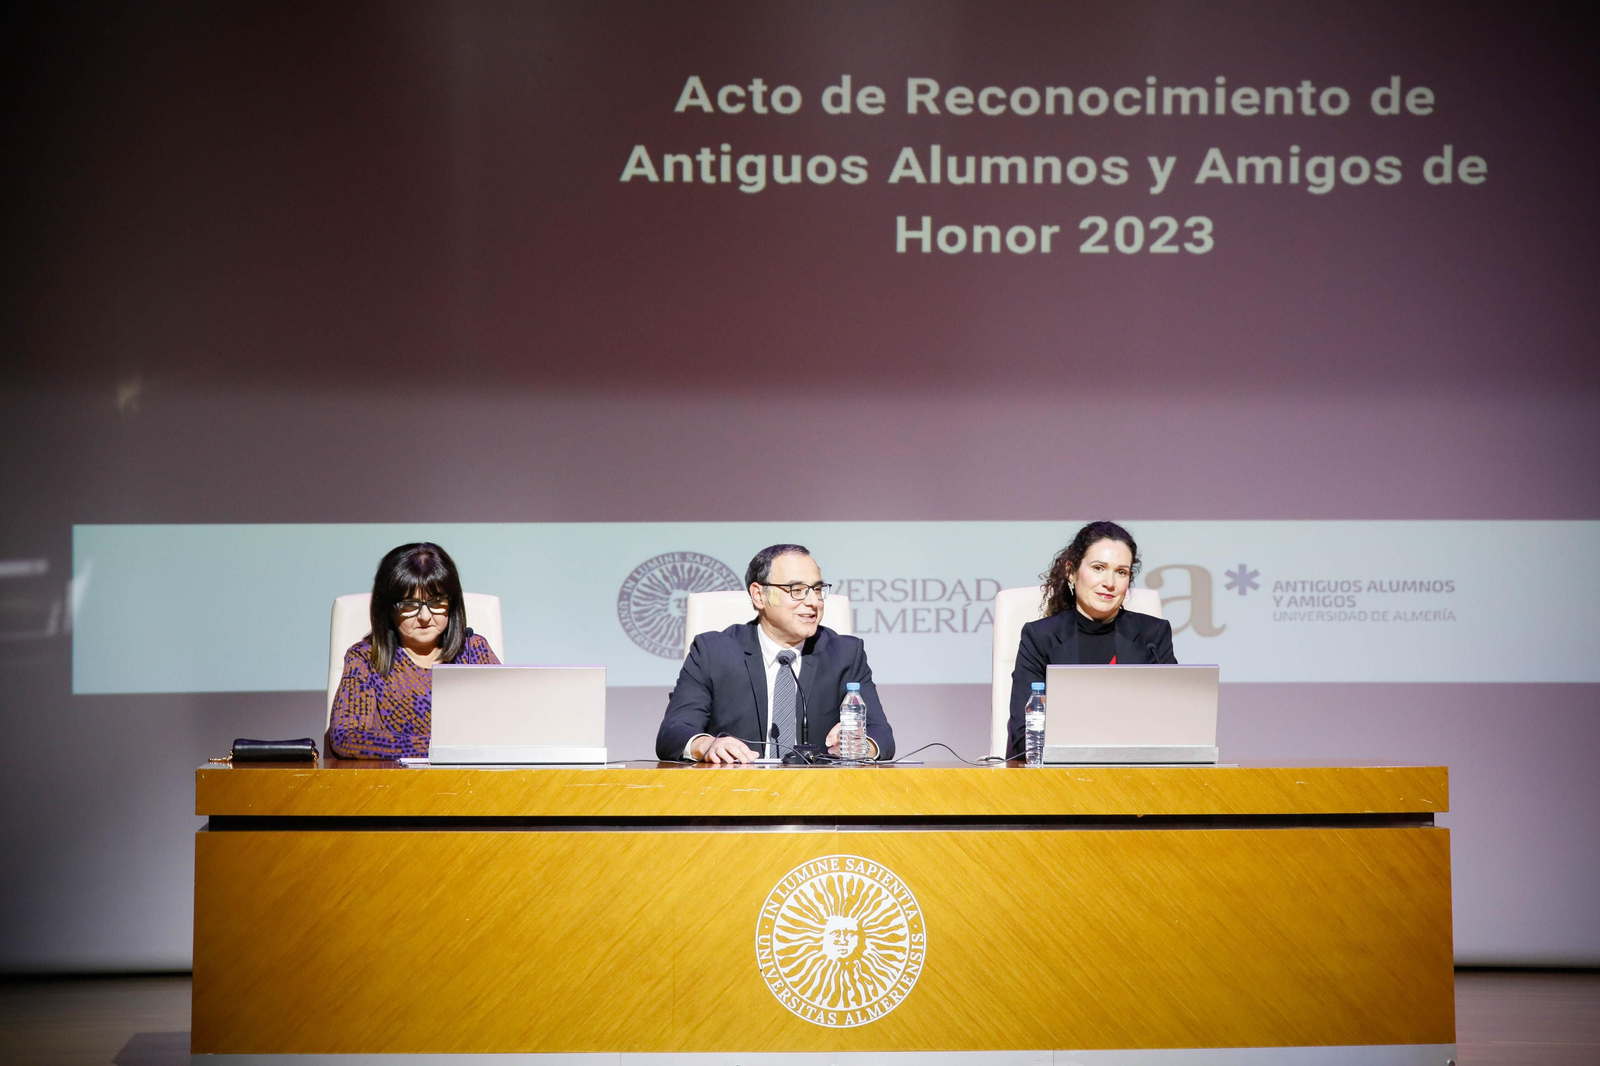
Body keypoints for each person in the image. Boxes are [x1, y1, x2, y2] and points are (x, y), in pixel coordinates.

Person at [656, 543, 895, 763]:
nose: (813, 601)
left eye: (817, 589)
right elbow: (673, 732)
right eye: (797, 589)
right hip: (733, 797)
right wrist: (706, 745)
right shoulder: (713, 652)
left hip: (820, 799)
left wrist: (861, 744)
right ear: (759, 595)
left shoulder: (844, 654)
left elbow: (881, 736)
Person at [1007, 520, 1177, 760]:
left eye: (1121, 572)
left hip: (1135, 776)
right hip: (1057, 781)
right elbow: (1024, 737)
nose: (1110, 582)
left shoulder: (1152, 635)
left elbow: (1174, 726)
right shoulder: (1040, 638)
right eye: (1099, 567)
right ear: (1071, 571)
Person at [328, 542, 499, 759]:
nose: (425, 617)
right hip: (396, 786)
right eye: (409, 604)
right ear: (387, 609)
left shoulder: (475, 650)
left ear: (452, 604)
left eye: (436, 602)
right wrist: (439, 748)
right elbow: (346, 738)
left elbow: (507, 724)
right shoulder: (366, 658)